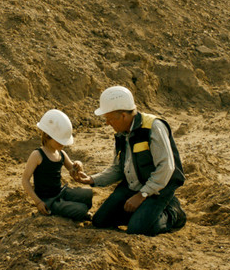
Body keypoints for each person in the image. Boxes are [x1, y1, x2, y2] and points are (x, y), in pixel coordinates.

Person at [76, 86, 186, 236]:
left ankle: (173, 212)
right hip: (133, 185)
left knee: (138, 230)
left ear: (123, 116)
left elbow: (166, 166)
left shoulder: (153, 127)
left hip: (159, 188)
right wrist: (91, 179)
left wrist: (142, 195)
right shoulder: (121, 134)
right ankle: (144, 213)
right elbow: (118, 169)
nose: (107, 123)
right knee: (100, 221)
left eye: (109, 118)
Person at [21, 109, 93, 222]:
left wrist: (78, 165)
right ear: (47, 136)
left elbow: (73, 170)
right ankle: (75, 212)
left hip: (61, 192)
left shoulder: (61, 153)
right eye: (60, 141)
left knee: (88, 194)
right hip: (48, 200)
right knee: (81, 209)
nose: (63, 144)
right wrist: (38, 202)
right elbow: (25, 180)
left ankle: (72, 209)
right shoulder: (37, 155)